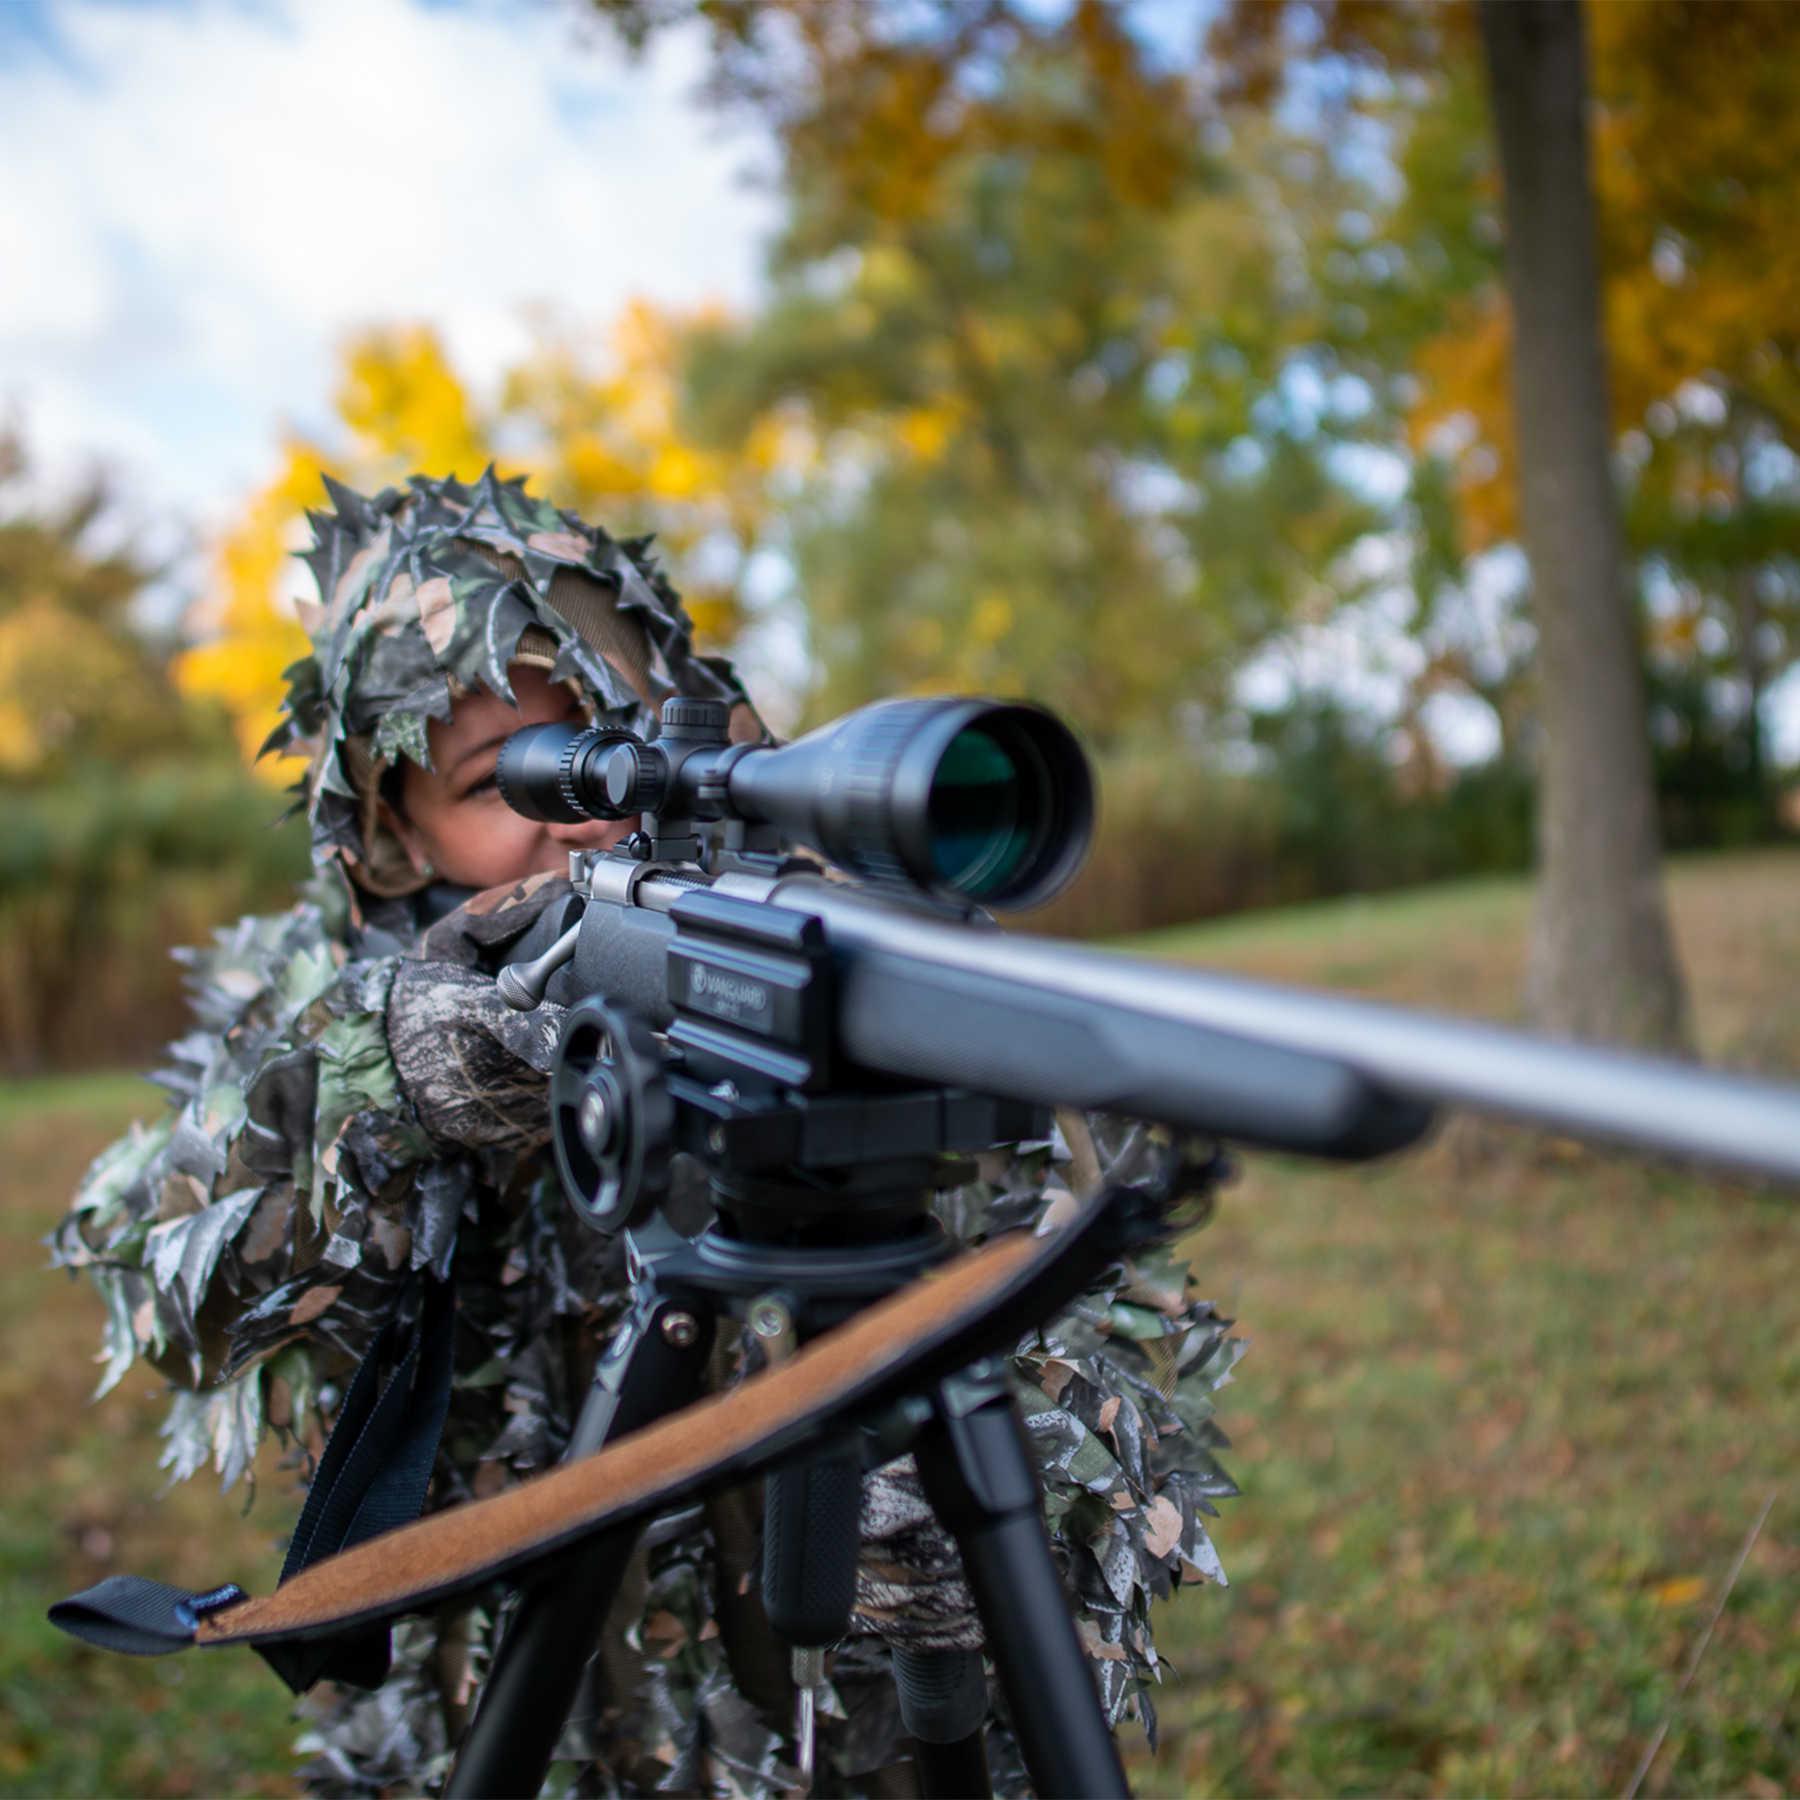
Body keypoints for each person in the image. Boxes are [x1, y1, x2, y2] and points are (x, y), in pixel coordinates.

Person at [57, 469, 1242, 1797]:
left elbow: (1106, 1329)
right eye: (504, 779)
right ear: (391, 831)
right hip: (529, 1737)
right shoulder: (333, 995)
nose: (592, 817)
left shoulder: (830, 957)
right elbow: (143, 1271)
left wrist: (992, 1483)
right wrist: (394, 1075)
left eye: (602, 734)